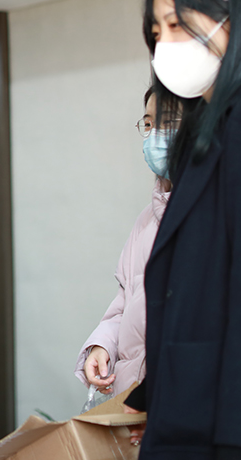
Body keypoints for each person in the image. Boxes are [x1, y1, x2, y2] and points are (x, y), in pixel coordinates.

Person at [116, 0, 241, 457]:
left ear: (232, 23)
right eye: (156, 32)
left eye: (178, 25)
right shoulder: (204, 131)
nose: (163, 44)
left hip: (233, 429)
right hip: (189, 412)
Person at [74, 89, 174, 402]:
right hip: (132, 400)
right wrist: (102, 345)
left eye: (168, 123)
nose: (155, 136)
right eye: (149, 124)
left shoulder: (210, 216)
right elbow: (125, 304)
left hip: (173, 399)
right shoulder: (145, 220)